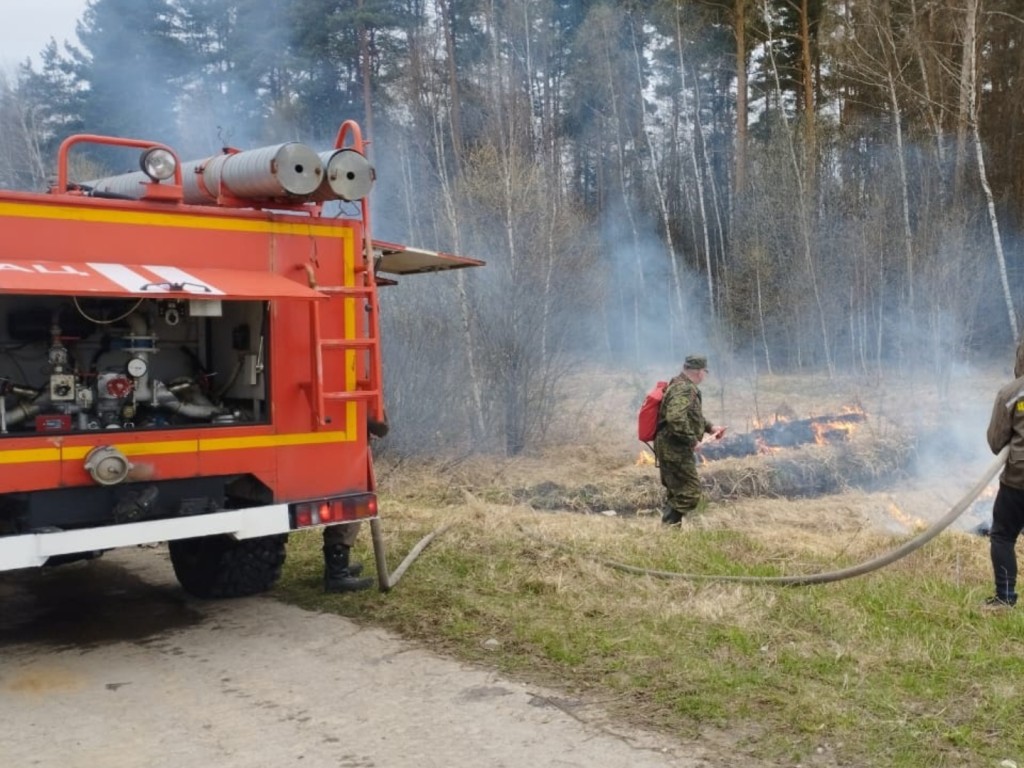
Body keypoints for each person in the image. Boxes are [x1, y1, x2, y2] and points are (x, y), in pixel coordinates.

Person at [653, 355, 726, 525]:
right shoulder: (685, 389)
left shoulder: (678, 384)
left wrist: (710, 428)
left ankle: (670, 533)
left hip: (670, 446)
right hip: (674, 449)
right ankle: (668, 525)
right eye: (705, 371)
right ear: (700, 371)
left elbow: (690, 415)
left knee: (676, 491)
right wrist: (692, 440)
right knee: (690, 493)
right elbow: (676, 418)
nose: (705, 375)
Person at [322, 412, 390, 593]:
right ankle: (337, 575)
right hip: (345, 452)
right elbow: (380, 427)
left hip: (317, 451)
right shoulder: (351, 385)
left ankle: (335, 569)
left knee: (338, 506)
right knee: (349, 507)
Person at [984, 367, 1024, 608]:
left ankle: (1005, 597)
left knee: (1002, 535)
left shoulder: (1011, 393)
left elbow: (995, 442)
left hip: (1018, 481)